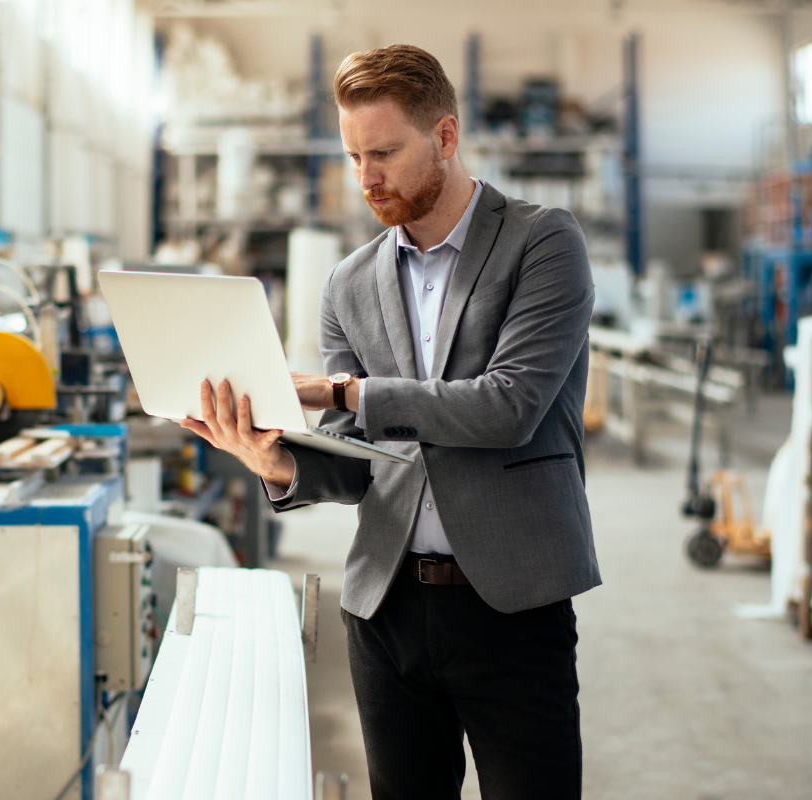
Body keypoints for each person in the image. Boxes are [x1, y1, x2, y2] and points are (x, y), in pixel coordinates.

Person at [180, 44, 599, 799]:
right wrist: (275, 462)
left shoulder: (543, 242)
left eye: (384, 152)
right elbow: (354, 460)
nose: (366, 178)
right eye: (352, 156)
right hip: (385, 609)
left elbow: (509, 407)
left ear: (445, 136)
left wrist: (343, 392)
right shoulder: (349, 282)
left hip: (512, 602)